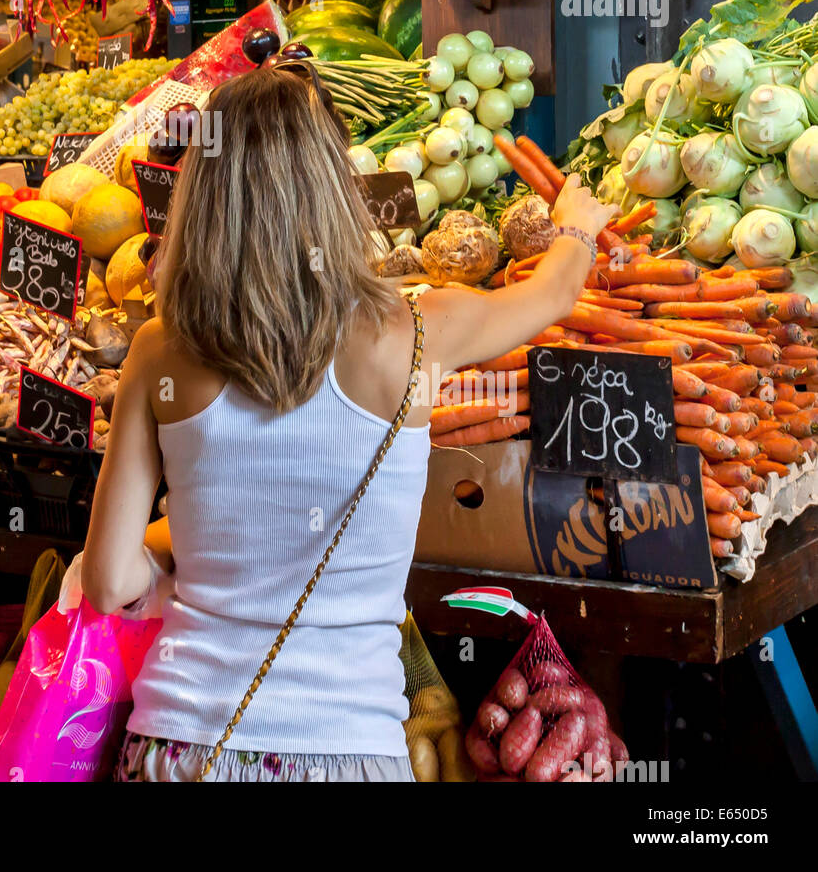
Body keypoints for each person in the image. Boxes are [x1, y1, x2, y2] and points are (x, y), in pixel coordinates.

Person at [81, 63, 615, 783]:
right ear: (335, 188)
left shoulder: (157, 351)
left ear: (203, 197)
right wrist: (577, 228)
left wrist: (175, 567)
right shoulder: (424, 331)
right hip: (348, 749)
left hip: (182, 743)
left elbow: (109, 581)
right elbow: (553, 294)